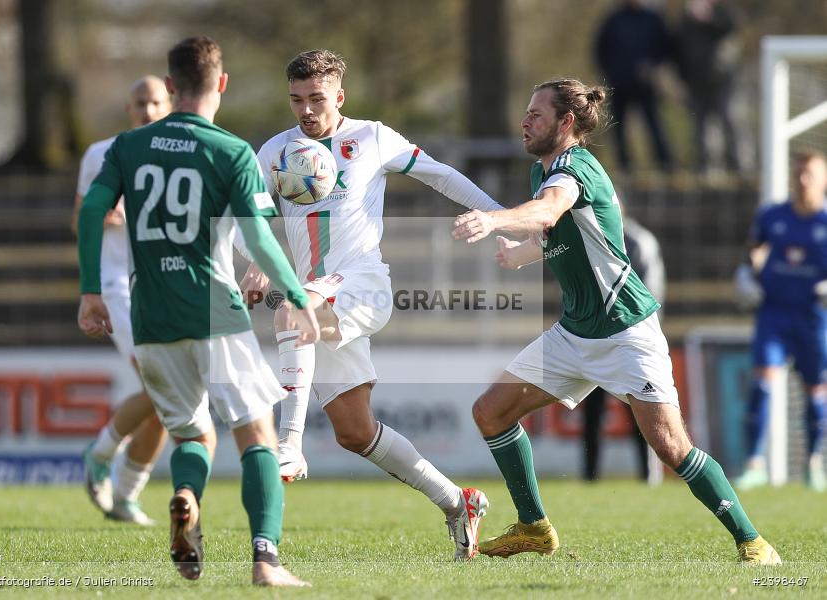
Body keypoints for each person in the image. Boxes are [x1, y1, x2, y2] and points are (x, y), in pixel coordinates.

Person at [451, 78, 780, 564]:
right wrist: (516, 255)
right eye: (525, 112)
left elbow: (549, 211)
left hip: (626, 331)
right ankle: (534, 527)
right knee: (491, 412)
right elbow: (556, 234)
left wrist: (494, 220)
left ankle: (753, 541)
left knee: (671, 447)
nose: (524, 121)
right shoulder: (540, 174)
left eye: (536, 114)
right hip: (575, 332)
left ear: (566, 123)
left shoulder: (574, 167)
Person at [77, 36, 319, 587]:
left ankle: (186, 494)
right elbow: (257, 237)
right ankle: (266, 561)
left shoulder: (128, 147)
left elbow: (93, 210)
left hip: (150, 316)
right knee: (256, 435)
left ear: (169, 87)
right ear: (222, 84)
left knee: (191, 436)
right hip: (214, 310)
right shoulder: (231, 150)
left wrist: (91, 291)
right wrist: (296, 296)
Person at [240, 49, 498, 560]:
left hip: (362, 282)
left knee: (293, 310)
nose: (306, 110)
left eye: (317, 99)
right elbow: (251, 218)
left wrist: (500, 216)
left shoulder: (372, 137)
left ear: (340, 95)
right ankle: (457, 501)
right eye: (296, 100)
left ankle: (288, 443)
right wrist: (256, 260)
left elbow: (440, 174)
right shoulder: (273, 152)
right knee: (355, 432)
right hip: (318, 291)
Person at [72, 76, 171, 526]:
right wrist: (103, 216)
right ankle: (101, 452)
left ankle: (127, 496)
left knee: (170, 400)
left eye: (155, 102)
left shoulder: (177, 152)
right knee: (162, 385)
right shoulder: (101, 153)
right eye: (139, 103)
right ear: (128, 109)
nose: (147, 110)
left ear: (168, 105)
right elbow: (79, 221)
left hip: (166, 286)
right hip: (119, 286)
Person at [733, 152, 827, 493]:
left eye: (811, 175)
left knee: (816, 391)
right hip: (774, 313)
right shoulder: (772, 215)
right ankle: (754, 464)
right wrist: (746, 274)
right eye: (799, 174)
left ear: (823, 180)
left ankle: (814, 464)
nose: (803, 181)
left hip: (814, 318)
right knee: (762, 384)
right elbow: (753, 251)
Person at [581, 211, 665, 482]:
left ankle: (649, 475)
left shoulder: (639, 241)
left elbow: (650, 291)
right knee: (592, 412)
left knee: (642, 410)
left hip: (630, 340)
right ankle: (590, 476)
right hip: (595, 339)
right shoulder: (584, 237)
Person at [594, 0, 673, 171]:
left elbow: (666, 46)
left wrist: (652, 65)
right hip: (619, 83)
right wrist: (610, 72)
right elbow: (600, 49)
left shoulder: (652, 19)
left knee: (654, 124)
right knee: (618, 127)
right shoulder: (613, 19)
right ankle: (625, 166)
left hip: (645, 84)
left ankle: (665, 165)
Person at [675, 0, 742, 173]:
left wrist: (708, 18)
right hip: (696, 83)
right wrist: (683, 78)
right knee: (700, 126)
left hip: (723, 81)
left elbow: (731, 27)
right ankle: (705, 168)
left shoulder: (723, 12)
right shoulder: (686, 21)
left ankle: (738, 165)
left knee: (729, 120)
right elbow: (678, 50)